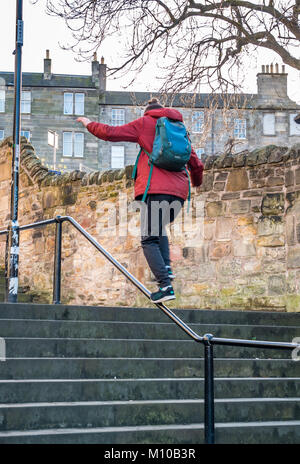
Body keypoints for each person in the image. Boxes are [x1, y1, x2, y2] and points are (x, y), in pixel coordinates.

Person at [77, 98, 204, 303]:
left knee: (148, 239)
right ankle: (167, 270)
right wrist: (196, 183)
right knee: (158, 229)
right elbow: (196, 163)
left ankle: (165, 287)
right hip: (179, 194)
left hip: (155, 191)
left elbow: (110, 133)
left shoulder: (145, 123)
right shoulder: (179, 128)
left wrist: (88, 123)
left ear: (147, 112)